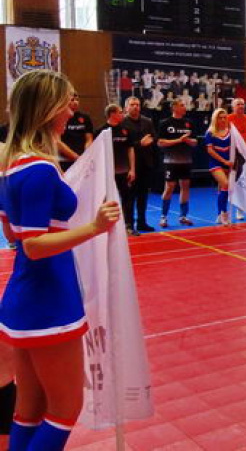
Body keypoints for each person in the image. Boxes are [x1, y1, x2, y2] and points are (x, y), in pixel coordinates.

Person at [0, 70, 120, 451]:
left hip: (24, 298)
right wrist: (94, 227)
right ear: (47, 108)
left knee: (29, 409)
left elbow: (11, 234)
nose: (72, 111)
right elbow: (34, 246)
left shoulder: (12, 165)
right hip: (48, 301)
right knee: (65, 411)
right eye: (67, 103)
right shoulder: (38, 168)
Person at [96, 104, 137, 235]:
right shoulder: (101, 131)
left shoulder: (125, 130)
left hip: (124, 172)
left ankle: (129, 226)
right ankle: (105, 227)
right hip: (107, 173)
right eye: (120, 112)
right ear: (112, 114)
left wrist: (132, 169)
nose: (123, 114)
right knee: (106, 200)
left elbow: (130, 150)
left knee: (127, 199)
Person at [157, 99, 197, 227]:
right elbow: (160, 142)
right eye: (182, 105)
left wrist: (188, 141)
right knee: (169, 187)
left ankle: (183, 216)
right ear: (174, 108)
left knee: (185, 187)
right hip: (170, 160)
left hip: (186, 160)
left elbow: (195, 142)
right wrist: (179, 140)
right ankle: (163, 217)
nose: (185, 107)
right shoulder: (165, 123)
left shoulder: (189, 123)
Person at [122, 97, 158, 232]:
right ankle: (129, 224)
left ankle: (142, 222)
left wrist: (151, 140)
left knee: (143, 196)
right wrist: (139, 144)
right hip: (129, 165)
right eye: (132, 105)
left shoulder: (147, 121)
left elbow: (154, 137)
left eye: (137, 104)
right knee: (129, 196)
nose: (135, 107)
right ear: (126, 107)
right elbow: (122, 144)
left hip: (146, 163)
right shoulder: (122, 122)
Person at [205, 108, 233, 225]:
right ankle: (224, 213)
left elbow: (234, 147)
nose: (222, 120)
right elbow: (210, 151)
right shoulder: (210, 133)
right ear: (215, 119)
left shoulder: (230, 131)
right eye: (220, 118)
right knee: (225, 184)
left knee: (223, 189)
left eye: (224, 117)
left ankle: (219, 214)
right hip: (216, 164)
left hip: (228, 164)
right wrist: (224, 161)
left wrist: (232, 161)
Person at [57, 93, 93, 172]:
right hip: (64, 161)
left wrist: (86, 154)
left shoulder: (85, 117)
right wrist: (76, 157)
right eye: (72, 100)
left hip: (82, 159)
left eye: (77, 100)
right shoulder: (58, 117)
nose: (76, 102)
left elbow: (89, 139)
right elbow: (58, 142)